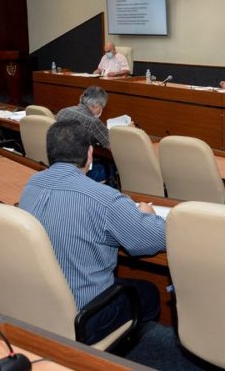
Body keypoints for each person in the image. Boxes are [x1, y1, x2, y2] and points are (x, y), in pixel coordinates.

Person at [19, 120, 165, 343]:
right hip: (85, 316)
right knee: (148, 293)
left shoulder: (32, 184)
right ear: (89, 153)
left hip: (39, 304)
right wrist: (148, 215)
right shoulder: (105, 199)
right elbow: (153, 239)